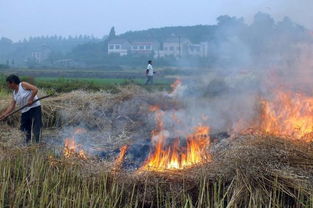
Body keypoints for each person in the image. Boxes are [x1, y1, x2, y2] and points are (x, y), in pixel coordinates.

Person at [0, 75, 42, 144]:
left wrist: (31, 99)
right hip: (25, 111)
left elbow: (35, 89)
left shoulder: (22, 85)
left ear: (13, 82)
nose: (8, 85)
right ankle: (26, 144)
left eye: (8, 83)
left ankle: (36, 144)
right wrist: (4, 115)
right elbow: (12, 106)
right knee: (24, 129)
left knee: (36, 126)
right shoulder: (14, 93)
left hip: (34, 108)